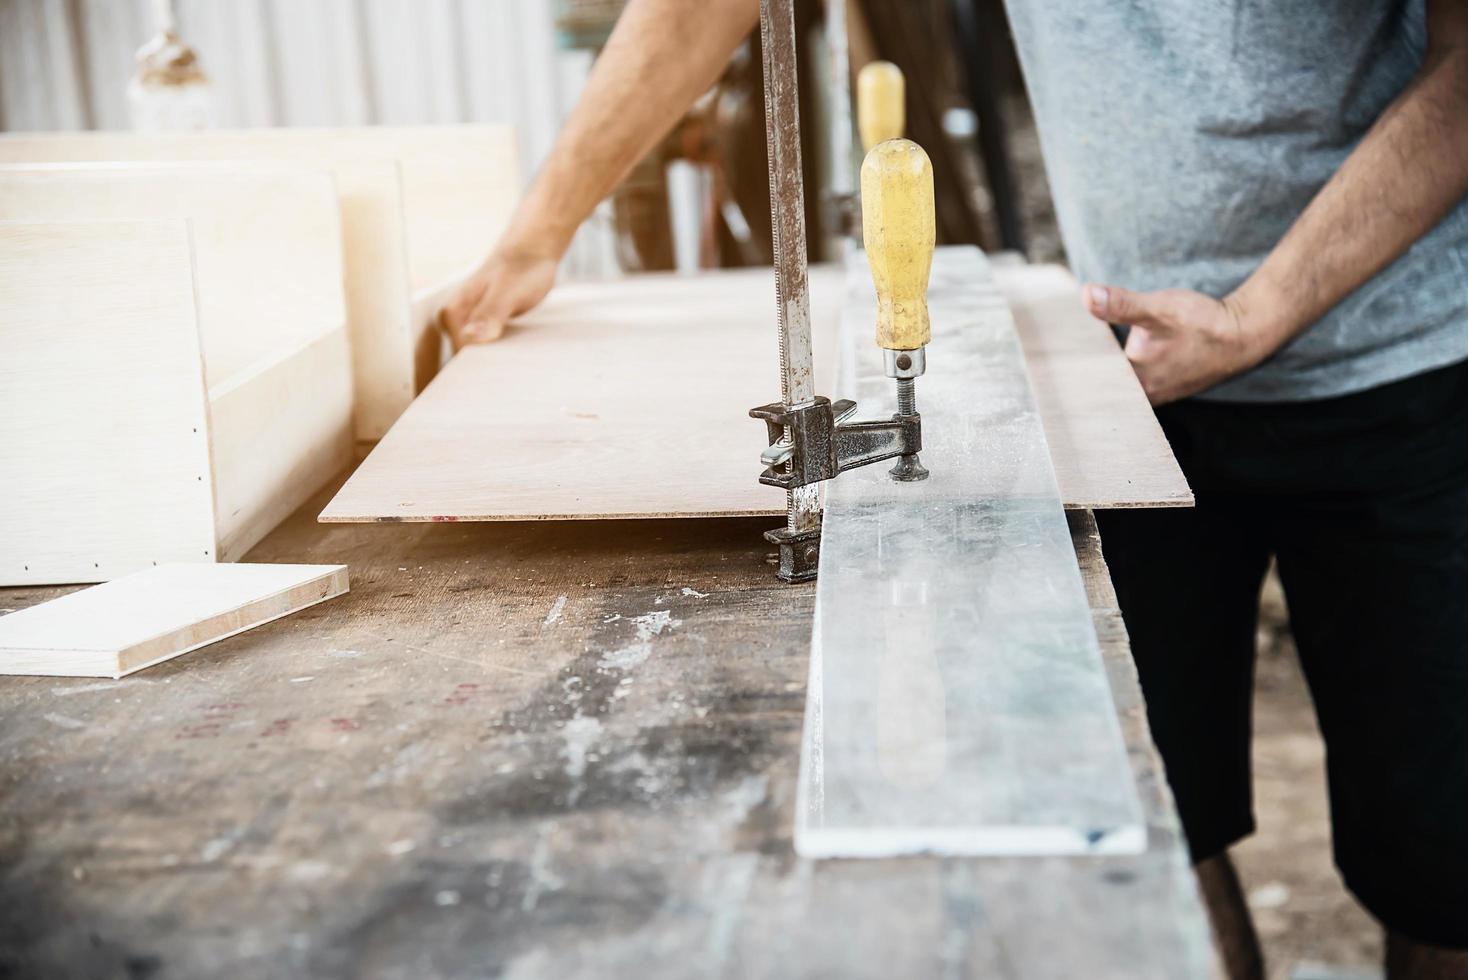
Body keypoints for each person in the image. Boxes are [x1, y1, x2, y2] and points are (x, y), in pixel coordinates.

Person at [442, 2, 1468, 976]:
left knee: (1442, 863)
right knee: (1150, 820)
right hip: (1136, 376)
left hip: (1409, 364)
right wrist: (541, 231)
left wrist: (1254, 316)